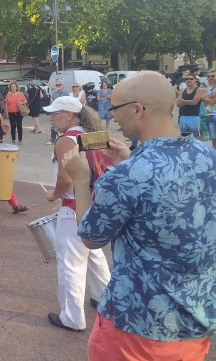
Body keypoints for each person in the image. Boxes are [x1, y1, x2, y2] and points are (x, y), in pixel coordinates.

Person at [61, 71, 216, 360]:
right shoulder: (208, 156)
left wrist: (82, 180)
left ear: (137, 109)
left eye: (115, 108)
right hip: (197, 318)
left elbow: (91, 238)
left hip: (136, 325)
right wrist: (133, 160)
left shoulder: (124, 176)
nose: (112, 115)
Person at [42, 96, 111, 332]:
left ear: (68, 115)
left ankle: (72, 317)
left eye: (55, 113)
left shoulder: (65, 140)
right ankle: (105, 298)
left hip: (73, 205)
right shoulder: (94, 134)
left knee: (70, 263)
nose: (50, 117)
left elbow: (65, 178)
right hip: (95, 204)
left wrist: (53, 194)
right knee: (95, 255)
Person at [47, 80, 68, 144]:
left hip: (63, 111)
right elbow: (51, 101)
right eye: (56, 85)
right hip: (55, 111)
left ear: (62, 85)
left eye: (59, 85)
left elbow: (67, 102)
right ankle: (52, 139)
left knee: (64, 125)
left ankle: (65, 139)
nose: (58, 86)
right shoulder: (53, 92)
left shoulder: (65, 92)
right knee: (53, 125)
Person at [203, 69, 216, 148]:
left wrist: (206, 99)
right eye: (209, 76)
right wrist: (210, 97)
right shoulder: (209, 88)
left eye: (213, 76)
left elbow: (212, 102)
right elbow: (204, 102)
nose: (210, 78)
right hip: (209, 116)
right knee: (213, 140)